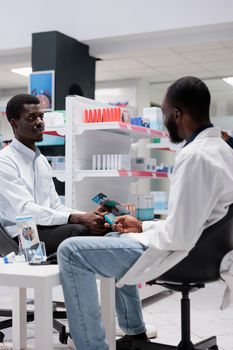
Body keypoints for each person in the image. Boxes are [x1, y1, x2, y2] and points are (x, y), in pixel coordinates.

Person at [57, 76, 233, 350]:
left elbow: (178, 235)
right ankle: (134, 332)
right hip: (209, 254)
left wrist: (144, 231)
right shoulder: (221, 149)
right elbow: (195, 220)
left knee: (71, 251)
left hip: (186, 256)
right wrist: (141, 226)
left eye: (164, 113)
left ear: (177, 113)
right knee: (114, 240)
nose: (163, 121)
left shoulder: (195, 156)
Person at [0, 94, 105, 255]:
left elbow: (55, 206)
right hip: (22, 235)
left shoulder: (41, 161)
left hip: (43, 227)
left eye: (41, 116)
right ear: (15, 123)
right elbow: (25, 211)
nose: (40, 122)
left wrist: (88, 216)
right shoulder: (5, 161)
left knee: (99, 228)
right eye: (32, 117)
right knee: (77, 232)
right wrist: (76, 218)